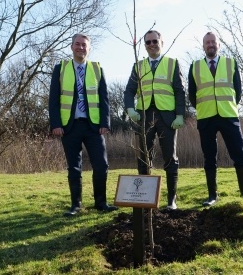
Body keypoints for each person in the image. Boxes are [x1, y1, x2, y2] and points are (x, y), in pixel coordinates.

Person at [188, 31, 243, 206]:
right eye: (207, 42)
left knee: (239, 155)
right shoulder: (195, 66)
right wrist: (204, 107)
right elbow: (191, 94)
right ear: (203, 45)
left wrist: (229, 106)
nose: (210, 45)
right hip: (206, 118)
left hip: (228, 116)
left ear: (218, 44)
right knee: (209, 157)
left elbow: (238, 91)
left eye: (213, 42)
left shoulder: (231, 63)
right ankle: (212, 196)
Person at [49, 33, 118, 216]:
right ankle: (76, 205)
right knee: (74, 167)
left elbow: (104, 99)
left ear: (89, 48)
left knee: (101, 165)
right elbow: (53, 100)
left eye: (84, 45)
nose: (81, 48)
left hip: (93, 126)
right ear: (71, 47)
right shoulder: (61, 68)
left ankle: (101, 203)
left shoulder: (97, 69)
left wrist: (105, 122)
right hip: (69, 126)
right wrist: (56, 124)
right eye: (77, 44)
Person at [124, 30, 186, 210]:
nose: (152, 45)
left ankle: (171, 201)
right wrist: (130, 109)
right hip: (144, 116)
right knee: (143, 157)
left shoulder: (172, 64)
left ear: (162, 42)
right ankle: (145, 199)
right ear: (144, 45)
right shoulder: (138, 66)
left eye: (155, 41)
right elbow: (129, 90)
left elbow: (179, 91)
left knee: (170, 158)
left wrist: (180, 115)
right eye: (148, 42)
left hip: (167, 118)